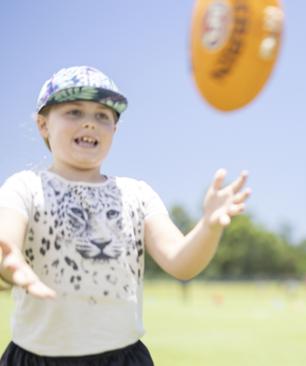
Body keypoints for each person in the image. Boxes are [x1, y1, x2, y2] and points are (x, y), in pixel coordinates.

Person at [0, 66, 251, 365]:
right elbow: (6, 239)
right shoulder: (25, 186)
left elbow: (181, 263)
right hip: (37, 357)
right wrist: (10, 262)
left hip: (123, 358)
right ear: (43, 125)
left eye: (102, 116)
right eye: (75, 112)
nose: (90, 123)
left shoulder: (137, 193)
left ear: (114, 130)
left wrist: (208, 226)